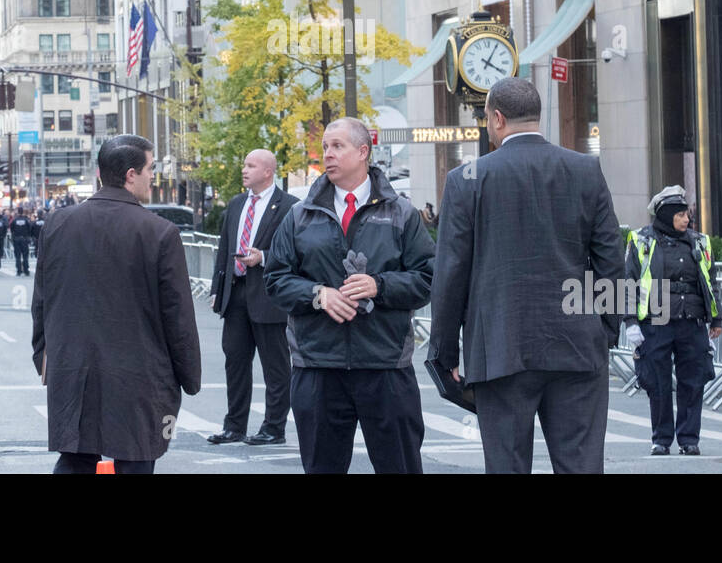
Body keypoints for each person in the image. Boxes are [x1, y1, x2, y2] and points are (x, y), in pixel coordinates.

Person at [427, 79, 622, 474]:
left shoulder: (467, 180)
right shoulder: (585, 169)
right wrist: (606, 329)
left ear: (496, 118)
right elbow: (611, 259)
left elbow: (450, 274)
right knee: (581, 465)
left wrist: (444, 352)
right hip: (578, 345)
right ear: (537, 116)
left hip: (499, 346)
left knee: (507, 466)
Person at [264, 118, 434, 475]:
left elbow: (428, 278)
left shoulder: (401, 212)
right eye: (325, 146)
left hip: (385, 366)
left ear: (363, 152)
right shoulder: (299, 216)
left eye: (338, 146)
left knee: (401, 466)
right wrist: (317, 294)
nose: (328, 154)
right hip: (318, 367)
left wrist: (380, 286)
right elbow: (275, 280)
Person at [32, 134, 201, 474]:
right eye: (150, 169)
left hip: (73, 369)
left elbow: (43, 301)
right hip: (138, 374)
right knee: (136, 458)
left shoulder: (57, 224)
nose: (154, 176)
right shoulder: (160, 233)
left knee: (76, 457)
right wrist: (189, 376)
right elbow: (178, 316)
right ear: (130, 175)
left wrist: (44, 357)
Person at [623, 186, 722, 456]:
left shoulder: (699, 241)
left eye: (687, 214)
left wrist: (716, 318)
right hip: (656, 320)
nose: (687, 220)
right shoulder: (642, 240)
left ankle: (689, 439)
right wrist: (630, 320)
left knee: (694, 381)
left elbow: (710, 281)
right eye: (680, 215)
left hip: (691, 321)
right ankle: (662, 439)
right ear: (666, 216)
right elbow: (629, 281)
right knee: (657, 382)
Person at [207, 149, 292, 447]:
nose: (244, 170)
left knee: (275, 366)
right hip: (236, 294)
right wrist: (218, 289)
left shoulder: (288, 207)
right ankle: (234, 426)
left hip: (269, 296)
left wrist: (265, 257)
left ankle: (274, 427)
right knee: (236, 361)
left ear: (268, 171)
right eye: (244, 164)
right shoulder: (236, 204)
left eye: (250, 165)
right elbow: (224, 248)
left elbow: (295, 252)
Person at [9, 207, 34, 277]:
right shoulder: (26, 220)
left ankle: (19, 271)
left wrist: (14, 236)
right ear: (22, 212)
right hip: (24, 239)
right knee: (25, 256)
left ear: (17, 211)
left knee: (18, 256)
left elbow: (11, 228)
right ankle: (26, 270)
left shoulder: (14, 220)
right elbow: (30, 228)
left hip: (17, 239)